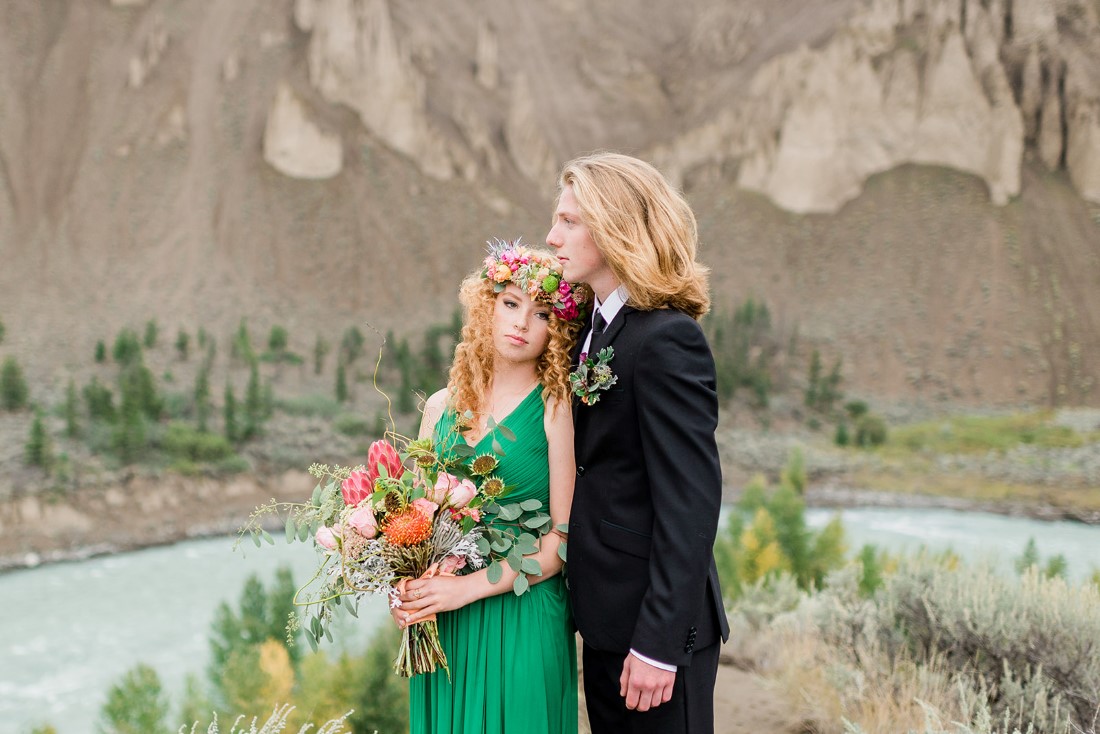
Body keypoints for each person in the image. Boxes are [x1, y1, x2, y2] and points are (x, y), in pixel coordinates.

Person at [545, 152, 730, 734]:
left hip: (654, 638)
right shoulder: (595, 327)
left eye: (569, 221)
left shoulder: (667, 339)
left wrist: (657, 644)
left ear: (614, 225)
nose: (552, 236)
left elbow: (691, 502)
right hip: (605, 621)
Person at [393, 241, 590, 734]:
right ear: (487, 305)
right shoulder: (440, 405)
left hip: (523, 613)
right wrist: (408, 587)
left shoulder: (556, 407)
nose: (522, 323)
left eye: (542, 313)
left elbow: (561, 545)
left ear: (558, 330)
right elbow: (414, 524)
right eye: (510, 303)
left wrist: (462, 590)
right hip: (447, 624)